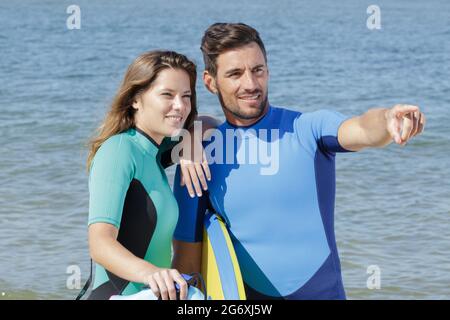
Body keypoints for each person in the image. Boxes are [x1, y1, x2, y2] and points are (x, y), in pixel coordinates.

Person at [171, 23, 426, 300]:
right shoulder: (198, 158)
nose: (251, 84)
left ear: (268, 71)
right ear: (210, 82)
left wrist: (387, 119)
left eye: (258, 70)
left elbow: (362, 129)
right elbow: (188, 267)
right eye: (235, 74)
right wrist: (192, 132)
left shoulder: (307, 129)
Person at [86, 50, 198, 300]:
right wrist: (153, 274)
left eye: (186, 96)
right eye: (167, 95)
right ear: (136, 99)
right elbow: (100, 243)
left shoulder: (155, 153)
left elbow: (207, 124)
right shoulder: (119, 150)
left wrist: (191, 143)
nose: (180, 106)